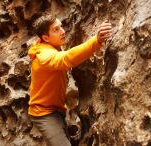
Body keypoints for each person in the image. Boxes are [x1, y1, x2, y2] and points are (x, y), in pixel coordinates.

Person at [28, 15, 112, 146]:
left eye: (61, 26)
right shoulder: (43, 56)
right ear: (45, 38)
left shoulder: (52, 45)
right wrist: (96, 41)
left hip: (57, 110)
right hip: (44, 114)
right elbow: (65, 59)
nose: (62, 31)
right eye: (56, 29)